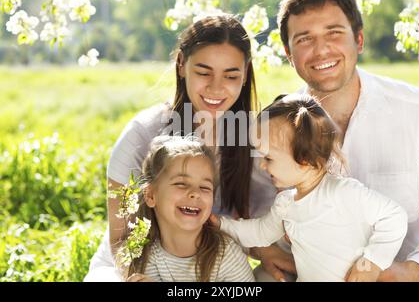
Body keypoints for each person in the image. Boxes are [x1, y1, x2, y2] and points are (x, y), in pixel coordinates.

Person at [256, 0, 419, 282]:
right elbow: (252, 215)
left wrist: (411, 271)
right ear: (288, 53)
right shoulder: (274, 127)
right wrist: (262, 250)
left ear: (359, 40)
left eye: (334, 33)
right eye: (305, 39)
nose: (321, 49)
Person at [84, 15, 277, 281]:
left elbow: (270, 220)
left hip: (213, 266)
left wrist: (264, 250)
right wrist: (136, 276)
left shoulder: (256, 139)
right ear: (181, 65)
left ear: (245, 75)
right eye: (203, 72)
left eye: (231, 75)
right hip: (139, 263)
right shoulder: (142, 134)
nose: (216, 87)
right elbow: (121, 238)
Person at [212, 94, 408, 282]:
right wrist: (221, 224)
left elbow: (394, 217)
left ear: (304, 159)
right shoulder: (285, 204)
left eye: (268, 158)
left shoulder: (343, 192)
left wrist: (371, 262)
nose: (262, 165)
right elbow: (260, 232)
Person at [116, 135, 255, 282]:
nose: (195, 193)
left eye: (205, 187)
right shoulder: (143, 255)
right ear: (151, 195)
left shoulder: (226, 255)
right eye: (181, 184)